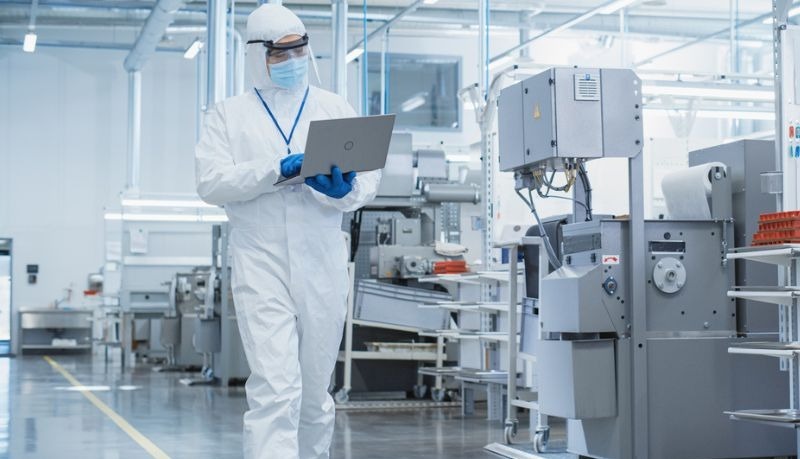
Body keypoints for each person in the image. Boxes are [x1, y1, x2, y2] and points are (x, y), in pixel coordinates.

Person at [194, 4, 381, 458]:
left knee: (315, 392)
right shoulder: (227, 115)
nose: (294, 60)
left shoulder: (334, 106)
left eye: (300, 50)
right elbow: (211, 182)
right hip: (261, 259)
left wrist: (343, 190)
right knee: (275, 389)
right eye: (281, 53)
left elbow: (368, 180)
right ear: (257, 56)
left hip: (322, 258)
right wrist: (274, 169)